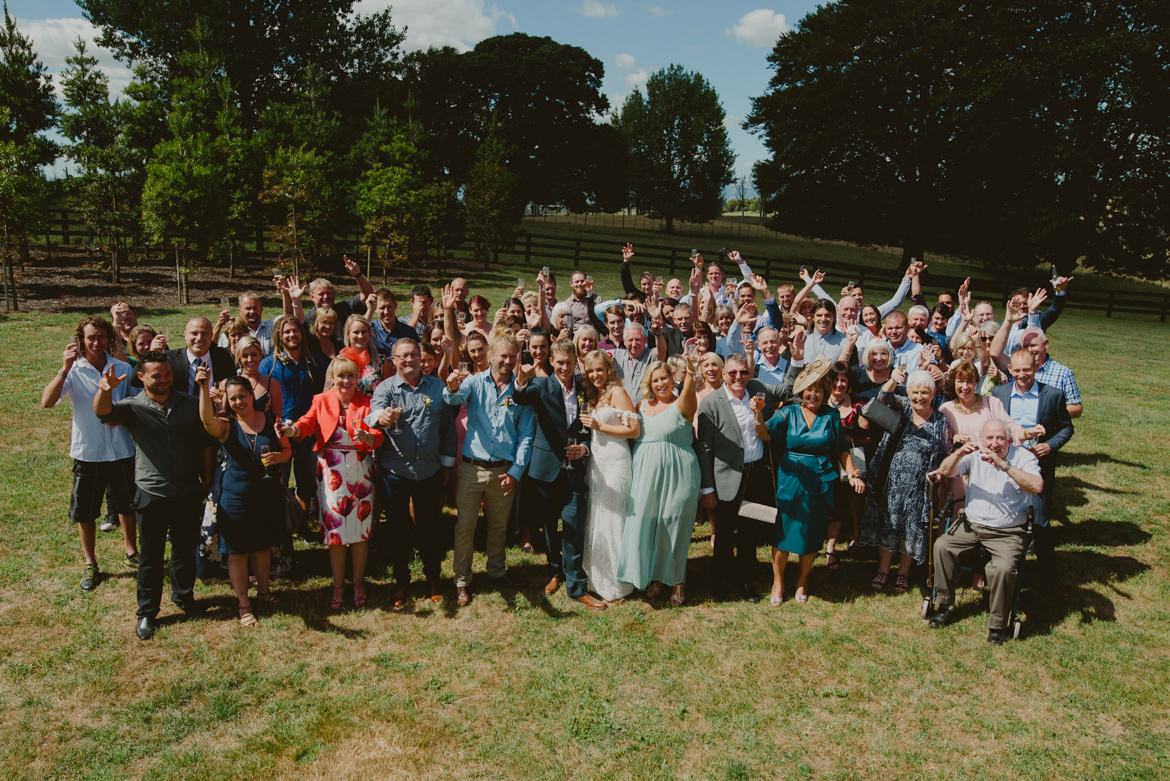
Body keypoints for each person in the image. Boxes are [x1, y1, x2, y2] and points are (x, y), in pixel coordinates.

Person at [94, 351, 214, 641]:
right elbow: (102, 413)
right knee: (151, 556)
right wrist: (104, 389)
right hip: (151, 492)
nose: (164, 380)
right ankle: (147, 612)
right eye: (156, 375)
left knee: (185, 550)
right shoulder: (133, 407)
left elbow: (204, 442)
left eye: (168, 374)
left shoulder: (189, 404)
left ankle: (183, 597)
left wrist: (207, 478)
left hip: (187, 490)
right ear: (141, 377)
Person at [754, 357, 865, 604]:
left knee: (812, 534)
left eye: (817, 390)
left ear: (824, 392)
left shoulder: (831, 415)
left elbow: (841, 449)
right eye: (808, 390)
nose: (812, 395)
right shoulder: (787, 412)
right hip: (790, 480)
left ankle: (803, 581)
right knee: (783, 533)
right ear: (801, 392)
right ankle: (778, 582)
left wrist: (854, 474)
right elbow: (765, 434)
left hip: (820, 480)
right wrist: (758, 415)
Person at [41, 316, 139, 590]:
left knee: (127, 504)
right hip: (89, 452)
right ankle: (90, 563)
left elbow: (136, 403)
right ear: (81, 340)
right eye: (90, 337)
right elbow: (47, 402)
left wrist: (122, 416)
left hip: (121, 449)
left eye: (101, 337)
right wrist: (64, 368)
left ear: (110, 338)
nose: (96, 342)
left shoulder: (121, 367)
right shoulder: (74, 371)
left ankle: (131, 551)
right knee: (86, 512)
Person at [926, 419, 1044, 645]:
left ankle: (998, 624)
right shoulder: (975, 453)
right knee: (942, 546)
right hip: (972, 524)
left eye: (1000, 438)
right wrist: (959, 453)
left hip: (1007, 531)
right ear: (982, 440)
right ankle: (944, 604)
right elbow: (946, 470)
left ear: (1010, 440)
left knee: (1003, 568)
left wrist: (1004, 465)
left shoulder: (1024, 458)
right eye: (989, 438)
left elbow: (1036, 486)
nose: (995, 443)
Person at [697, 351, 803, 602]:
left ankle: (747, 582)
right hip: (725, 478)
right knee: (723, 534)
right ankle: (721, 583)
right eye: (732, 372)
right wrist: (707, 488)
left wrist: (797, 358)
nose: (738, 377)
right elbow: (705, 449)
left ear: (750, 372)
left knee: (749, 534)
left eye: (743, 372)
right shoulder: (712, 402)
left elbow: (789, 389)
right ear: (724, 374)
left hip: (755, 475)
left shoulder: (757, 389)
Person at [280, 355, 383, 609]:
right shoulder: (321, 400)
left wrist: (367, 438)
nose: (346, 381)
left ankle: (358, 582)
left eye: (351, 376)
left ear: (358, 378)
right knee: (335, 532)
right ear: (333, 378)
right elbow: (305, 424)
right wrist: (292, 430)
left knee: (360, 533)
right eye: (341, 376)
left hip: (361, 471)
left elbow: (378, 436)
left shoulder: (368, 403)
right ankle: (338, 586)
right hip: (331, 472)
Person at [512, 340, 607, 609]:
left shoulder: (585, 388)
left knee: (574, 527)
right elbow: (519, 397)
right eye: (560, 362)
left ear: (576, 360)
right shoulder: (541, 386)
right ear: (551, 362)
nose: (565, 367)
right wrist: (520, 380)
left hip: (575, 472)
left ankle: (577, 585)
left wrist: (584, 448)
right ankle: (555, 572)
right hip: (545, 470)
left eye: (569, 361)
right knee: (549, 527)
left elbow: (588, 428)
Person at [442, 333, 535, 607]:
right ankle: (461, 581)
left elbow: (526, 436)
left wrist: (516, 472)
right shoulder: (473, 381)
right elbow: (452, 399)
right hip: (472, 468)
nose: (507, 361)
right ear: (492, 355)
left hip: (504, 471)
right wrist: (450, 388)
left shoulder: (522, 391)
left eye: (512, 356)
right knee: (465, 526)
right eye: (503, 356)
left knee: (498, 527)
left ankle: (496, 571)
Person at [365, 338, 457, 607]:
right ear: (393, 360)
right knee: (397, 531)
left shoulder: (437, 387)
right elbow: (374, 414)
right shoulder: (385, 388)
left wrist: (447, 465)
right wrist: (381, 419)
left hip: (429, 471)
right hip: (396, 472)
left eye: (414, 355)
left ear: (421, 357)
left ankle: (433, 578)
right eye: (403, 356)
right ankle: (402, 582)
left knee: (430, 528)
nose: (409, 360)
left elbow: (448, 431)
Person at [196, 370, 289, 627]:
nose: (239, 402)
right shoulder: (227, 426)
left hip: (266, 495)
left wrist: (280, 458)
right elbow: (206, 420)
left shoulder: (271, 420)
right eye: (233, 398)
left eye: (243, 396)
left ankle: (264, 593)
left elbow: (286, 450)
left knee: (261, 546)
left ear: (251, 395)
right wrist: (203, 389)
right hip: (235, 498)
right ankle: (244, 605)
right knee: (237, 552)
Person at [615, 355, 702, 607]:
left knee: (673, 524)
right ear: (649, 383)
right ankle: (656, 576)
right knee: (649, 524)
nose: (660, 384)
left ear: (672, 378)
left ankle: (678, 581)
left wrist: (692, 371)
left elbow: (689, 391)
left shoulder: (682, 404)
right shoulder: (641, 405)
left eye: (664, 377)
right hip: (645, 473)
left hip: (679, 472)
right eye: (655, 380)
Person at [858, 368, 953, 593]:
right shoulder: (904, 407)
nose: (919, 397)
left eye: (924, 392)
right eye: (914, 392)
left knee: (911, 529)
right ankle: (883, 570)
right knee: (888, 526)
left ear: (933, 393)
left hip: (919, 488)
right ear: (908, 392)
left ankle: (903, 573)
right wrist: (893, 380)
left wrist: (938, 475)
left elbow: (947, 453)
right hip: (889, 483)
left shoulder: (941, 421)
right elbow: (882, 398)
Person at [992, 348, 1074, 594]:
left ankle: (1049, 579)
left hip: (1039, 466)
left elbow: (1066, 428)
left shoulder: (1053, 395)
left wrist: (1050, 445)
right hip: (1007, 466)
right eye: (1015, 370)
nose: (1021, 375)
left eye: (1026, 370)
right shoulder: (999, 392)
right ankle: (993, 574)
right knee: (1001, 519)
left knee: (1041, 522)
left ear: (1036, 367)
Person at [574, 350, 641, 602]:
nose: (595, 375)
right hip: (597, 463)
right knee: (598, 517)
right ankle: (596, 576)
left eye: (599, 369)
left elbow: (634, 430)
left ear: (609, 369)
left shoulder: (618, 392)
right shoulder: (595, 394)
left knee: (615, 518)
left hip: (616, 462)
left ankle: (619, 580)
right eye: (590, 371)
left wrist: (600, 426)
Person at [259, 316, 330, 514]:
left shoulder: (315, 362)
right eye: (286, 332)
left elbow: (324, 395)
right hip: (279, 434)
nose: (291, 335)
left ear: (302, 333)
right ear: (278, 336)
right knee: (277, 482)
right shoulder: (268, 365)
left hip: (308, 432)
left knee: (306, 484)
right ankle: (283, 528)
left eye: (295, 330)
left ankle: (302, 523)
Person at [285, 257, 375, 328]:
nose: (325, 297)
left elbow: (369, 296)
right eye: (321, 294)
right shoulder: (309, 320)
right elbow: (297, 326)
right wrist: (296, 300)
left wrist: (358, 275)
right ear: (312, 297)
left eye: (329, 293)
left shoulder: (344, 309)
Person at [166, 317, 236, 395]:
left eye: (204, 334)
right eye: (194, 333)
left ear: (211, 336)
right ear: (185, 335)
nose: (199, 338)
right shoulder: (170, 359)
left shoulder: (223, 357)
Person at [369, 288, 420, 356]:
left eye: (389, 307)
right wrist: (369, 310)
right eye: (382, 308)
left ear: (395, 306)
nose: (386, 312)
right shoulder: (370, 331)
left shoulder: (409, 332)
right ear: (375, 308)